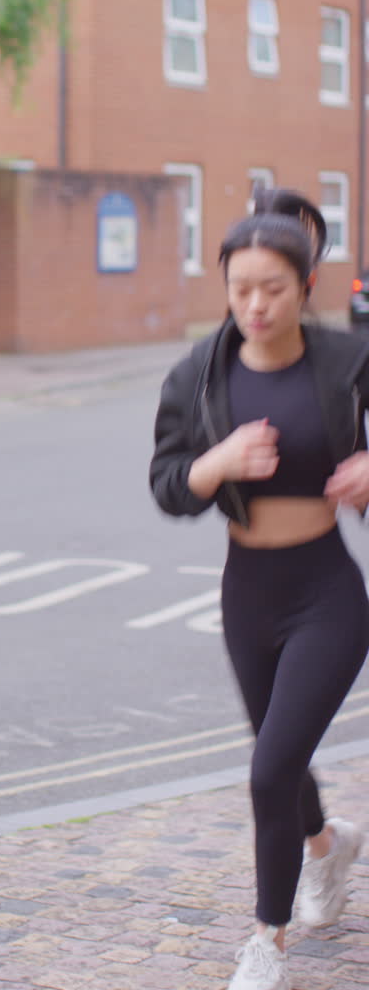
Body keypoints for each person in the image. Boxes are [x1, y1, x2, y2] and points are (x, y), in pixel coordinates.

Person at [149, 187, 369, 990]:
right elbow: (168, 483)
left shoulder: (347, 361)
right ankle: (326, 845)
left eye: (272, 289)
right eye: (239, 289)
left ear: (304, 288)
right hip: (247, 591)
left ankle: (266, 942)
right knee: (284, 755)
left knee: (271, 769)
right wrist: (217, 463)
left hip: (328, 591)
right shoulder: (198, 375)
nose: (254, 305)